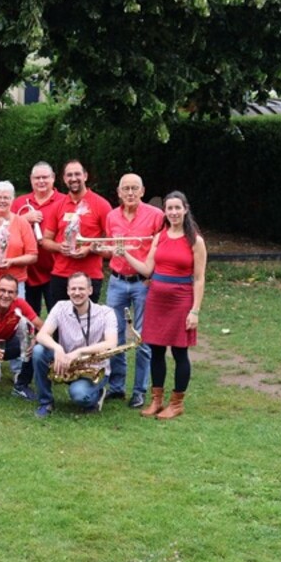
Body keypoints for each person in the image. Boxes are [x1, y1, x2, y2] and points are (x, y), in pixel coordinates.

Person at [119, 191, 206, 420]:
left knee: (179, 352)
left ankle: (176, 404)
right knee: (156, 350)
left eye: (178, 208)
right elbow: (148, 269)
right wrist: (125, 253)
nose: (174, 212)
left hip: (181, 299)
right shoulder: (160, 237)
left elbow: (199, 279)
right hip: (156, 299)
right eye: (170, 208)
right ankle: (156, 400)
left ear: (185, 209)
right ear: (165, 212)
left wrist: (195, 310)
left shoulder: (195, 241)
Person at [104, 173, 164, 409]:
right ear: (119, 192)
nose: (130, 193)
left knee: (143, 337)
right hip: (117, 281)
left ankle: (139, 390)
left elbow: (162, 248)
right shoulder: (111, 216)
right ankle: (117, 387)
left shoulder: (156, 215)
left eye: (134, 188)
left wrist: (153, 276)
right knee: (115, 334)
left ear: (142, 191)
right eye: (125, 189)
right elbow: (109, 248)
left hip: (143, 282)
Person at [32, 273, 117, 418]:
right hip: (66, 361)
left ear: (90, 290)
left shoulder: (106, 313)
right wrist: (58, 348)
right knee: (39, 351)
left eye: (81, 289)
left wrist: (79, 352)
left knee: (79, 394)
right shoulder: (60, 307)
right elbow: (41, 335)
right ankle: (45, 402)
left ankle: (97, 394)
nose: (77, 293)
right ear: (67, 290)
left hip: (94, 369)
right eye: (73, 289)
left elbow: (111, 344)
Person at [41, 160, 113, 303]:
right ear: (64, 179)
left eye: (77, 174)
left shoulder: (101, 205)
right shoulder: (58, 206)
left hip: (90, 276)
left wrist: (89, 249)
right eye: (69, 175)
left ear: (85, 176)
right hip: (61, 275)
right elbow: (45, 241)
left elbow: (112, 245)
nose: (73, 178)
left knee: (87, 317)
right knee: (61, 316)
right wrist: (59, 247)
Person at [13, 161, 65, 316]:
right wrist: (24, 219)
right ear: (31, 179)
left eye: (45, 177)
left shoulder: (64, 201)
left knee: (58, 316)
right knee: (29, 317)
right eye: (37, 178)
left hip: (57, 269)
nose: (41, 181)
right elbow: (5, 229)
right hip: (28, 272)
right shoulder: (20, 202)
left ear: (53, 178)